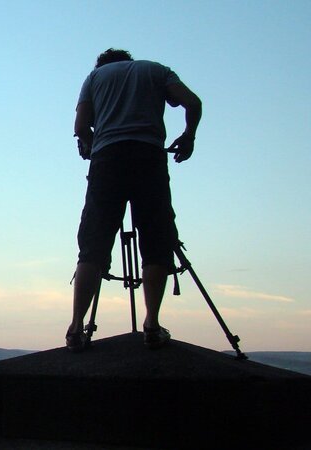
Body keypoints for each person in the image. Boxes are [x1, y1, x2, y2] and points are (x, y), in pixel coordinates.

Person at [66, 48, 202, 352]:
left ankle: (76, 328)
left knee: (93, 246)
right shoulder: (156, 70)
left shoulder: (94, 78)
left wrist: (89, 142)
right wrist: (189, 136)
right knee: (157, 242)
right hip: (148, 157)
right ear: (128, 61)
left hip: (107, 160)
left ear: (102, 65)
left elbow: (80, 127)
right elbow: (193, 102)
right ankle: (152, 325)